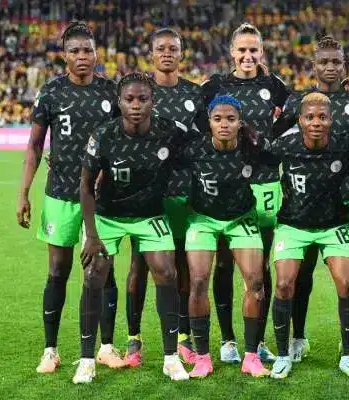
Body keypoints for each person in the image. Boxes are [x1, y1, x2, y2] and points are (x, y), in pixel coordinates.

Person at [16, 21, 124, 374]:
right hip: (60, 194)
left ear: (96, 54)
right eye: (75, 51)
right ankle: (51, 350)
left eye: (88, 50)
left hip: (102, 198)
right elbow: (34, 145)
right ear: (65, 55)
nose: (82, 56)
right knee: (58, 271)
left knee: (103, 272)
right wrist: (23, 193)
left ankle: (106, 347)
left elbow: (122, 141)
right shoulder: (51, 92)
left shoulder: (110, 92)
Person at [75, 72, 195, 383]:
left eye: (143, 99)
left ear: (153, 102)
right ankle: (86, 360)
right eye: (129, 99)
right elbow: (85, 186)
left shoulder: (169, 131)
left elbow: (203, 143)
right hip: (108, 215)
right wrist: (91, 235)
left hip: (149, 215)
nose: (136, 105)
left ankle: (171, 359)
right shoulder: (104, 134)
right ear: (119, 102)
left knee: (167, 272)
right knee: (94, 274)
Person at [272, 35, 349, 362]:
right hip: (302, 203)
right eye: (324, 62)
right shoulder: (298, 101)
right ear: (314, 66)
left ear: (344, 65)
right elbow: (277, 140)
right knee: (301, 275)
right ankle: (297, 337)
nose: (330, 67)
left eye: (336, 62)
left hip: (344, 201)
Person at [201, 22, 290, 364]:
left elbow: (292, 119)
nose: (248, 55)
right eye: (242, 50)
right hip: (227, 183)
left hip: (266, 184)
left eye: (254, 50)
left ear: (261, 52)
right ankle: (227, 340)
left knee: (261, 266)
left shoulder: (274, 86)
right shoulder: (215, 86)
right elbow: (198, 122)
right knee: (224, 263)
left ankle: (259, 340)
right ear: (232, 52)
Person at [124, 27, 205, 368]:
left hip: (185, 192)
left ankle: (183, 337)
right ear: (152, 53)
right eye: (161, 48)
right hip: (147, 193)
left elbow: (203, 142)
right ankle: (134, 339)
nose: (167, 53)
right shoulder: (140, 92)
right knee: (139, 265)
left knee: (183, 267)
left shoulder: (194, 93)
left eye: (173, 48)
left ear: (181, 53)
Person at [184, 95, 270, 378]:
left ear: (239, 122)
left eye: (231, 119)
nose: (224, 124)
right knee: (198, 281)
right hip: (203, 219)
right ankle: (202, 358)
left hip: (241, 218)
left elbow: (280, 157)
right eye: (218, 119)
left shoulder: (251, 148)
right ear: (209, 122)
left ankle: (251, 357)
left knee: (256, 282)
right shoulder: (194, 149)